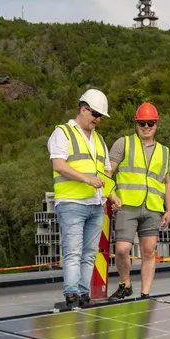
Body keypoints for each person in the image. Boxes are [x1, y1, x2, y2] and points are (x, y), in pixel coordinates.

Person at [47, 88, 121, 309]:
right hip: (71, 203)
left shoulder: (99, 140)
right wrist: (87, 180)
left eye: (100, 116)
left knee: (89, 253)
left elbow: (105, 173)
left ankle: (83, 294)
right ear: (83, 109)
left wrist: (112, 195)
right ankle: (71, 295)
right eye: (95, 114)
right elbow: (59, 165)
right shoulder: (63, 133)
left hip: (95, 205)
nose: (98, 120)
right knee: (73, 251)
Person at [107, 102, 170, 300]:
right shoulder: (124, 143)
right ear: (136, 124)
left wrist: (169, 210)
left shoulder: (164, 151)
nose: (146, 127)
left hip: (152, 208)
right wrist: (112, 195)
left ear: (156, 124)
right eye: (142, 123)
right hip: (126, 205)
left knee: (149, 252)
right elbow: (107, 172)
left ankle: (145, 294)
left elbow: (167, 182)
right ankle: (125, 284)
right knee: (122, 249)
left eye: (150, 123)